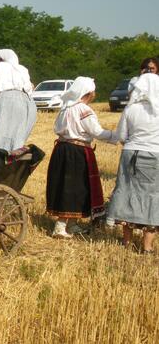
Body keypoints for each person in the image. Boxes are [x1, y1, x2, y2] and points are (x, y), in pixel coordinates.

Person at [45, 77, 116, 238]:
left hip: (62, 149)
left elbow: (57, 128)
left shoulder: (65, 108)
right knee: (74, 187)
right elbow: (96, 132)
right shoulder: (84, 110)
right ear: (89, 93)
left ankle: (72, 224)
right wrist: (116, 136)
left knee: (67, 185)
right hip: (76, 151)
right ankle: (61, 226)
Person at [108, 73, 159, 254]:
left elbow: (121, 136)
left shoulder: (131, 109)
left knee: (127, 192)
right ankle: (147, 246)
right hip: (155, 154)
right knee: (153, 195)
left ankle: (127, 242)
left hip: (131, 153)